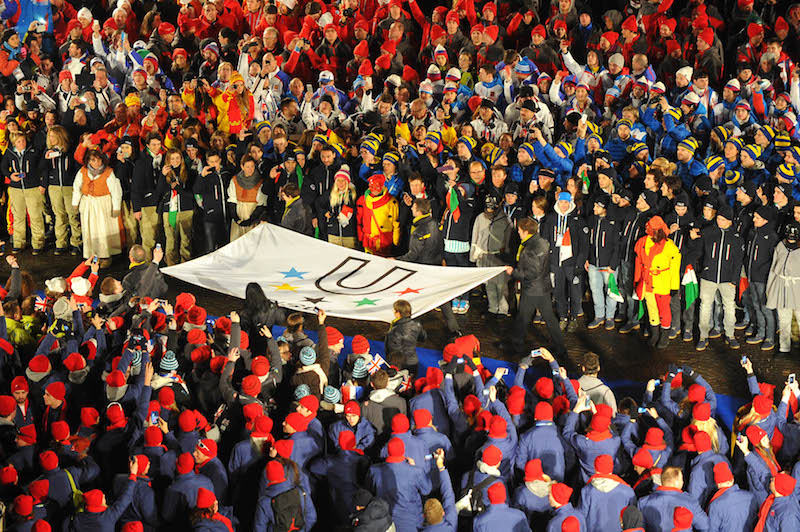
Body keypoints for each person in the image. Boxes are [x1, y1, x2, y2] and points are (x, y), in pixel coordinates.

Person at [506, 217, 566, 359]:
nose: (518, 233)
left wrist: (513, 272)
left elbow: (530, 273)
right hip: (543, 287)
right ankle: (560, 347)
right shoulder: (542, 242)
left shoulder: (529, 250)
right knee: (550, 319)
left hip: (532, 289)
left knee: (522, 318)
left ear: (526, 232)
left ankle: (517, 345)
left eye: (520, 231)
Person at [71, 149, 122, 268]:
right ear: (88, 161)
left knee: (103, 230)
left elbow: (116, 191)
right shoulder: (83, 171)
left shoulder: (108, 172)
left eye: (98, 160)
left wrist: (116, 208)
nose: (96, 163)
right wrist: (75, 203)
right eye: (93, 160)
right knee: (89, 230)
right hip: (88, 204)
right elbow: (77, 187)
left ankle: (105, 256)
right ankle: (92, 255)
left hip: (103, 204)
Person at [766, 221, 800, 355]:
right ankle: (784, 348)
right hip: (782, 287)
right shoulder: (781, 245)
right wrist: (770, 289)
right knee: (784, 319)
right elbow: (774, 269)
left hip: (797, 288)